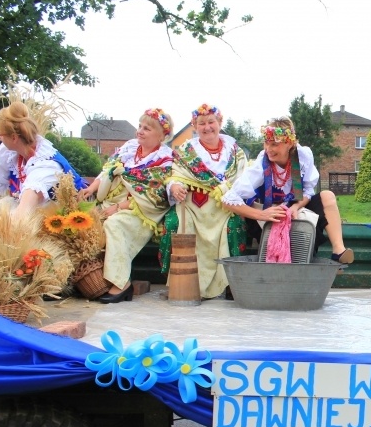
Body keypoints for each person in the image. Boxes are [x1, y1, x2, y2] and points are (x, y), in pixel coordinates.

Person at [221, 116, 354, 264]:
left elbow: (308, 190)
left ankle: (338, 251)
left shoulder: (303, 156)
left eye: (274, 144)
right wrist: (263, 214)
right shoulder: (262, 163)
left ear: (289, 143)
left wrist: (296, 207)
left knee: (327, 196)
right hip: (268, 214)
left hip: (296, 208)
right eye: (266, 143)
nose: (268, 149)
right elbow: (228, 199)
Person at [79, 108, 176, 303]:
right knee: (83, 223)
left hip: (141, 210)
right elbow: (107, 171)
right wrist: (91, 189)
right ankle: (90, 281)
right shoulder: (129, 148)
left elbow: (154, 195)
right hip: (112, 200)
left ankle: (121, 283)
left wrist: (118, 207)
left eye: (147, 128)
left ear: (161, 135)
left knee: (114, 224)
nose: (140, 131)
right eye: (140, 126)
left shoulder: (165, 160)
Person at [159, 104, 248, 299]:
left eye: (211, 122)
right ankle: (178, 282)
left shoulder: (235, 152)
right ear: (195, 126)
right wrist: (174, 187)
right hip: (192, 208)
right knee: (173, 223)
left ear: (220, 122)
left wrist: (226, 192)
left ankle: (231, 284)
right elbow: (174, 175)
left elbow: (243, 181)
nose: (207, 127)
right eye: (201, 123)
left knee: (235, 224)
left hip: (224, 208)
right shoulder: (186, 151)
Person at [0, 101, 86, 217]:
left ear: (14, 137)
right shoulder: (10, 152)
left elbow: (24, 212)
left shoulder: (46, 165)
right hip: (34, 211)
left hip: (69, 217)